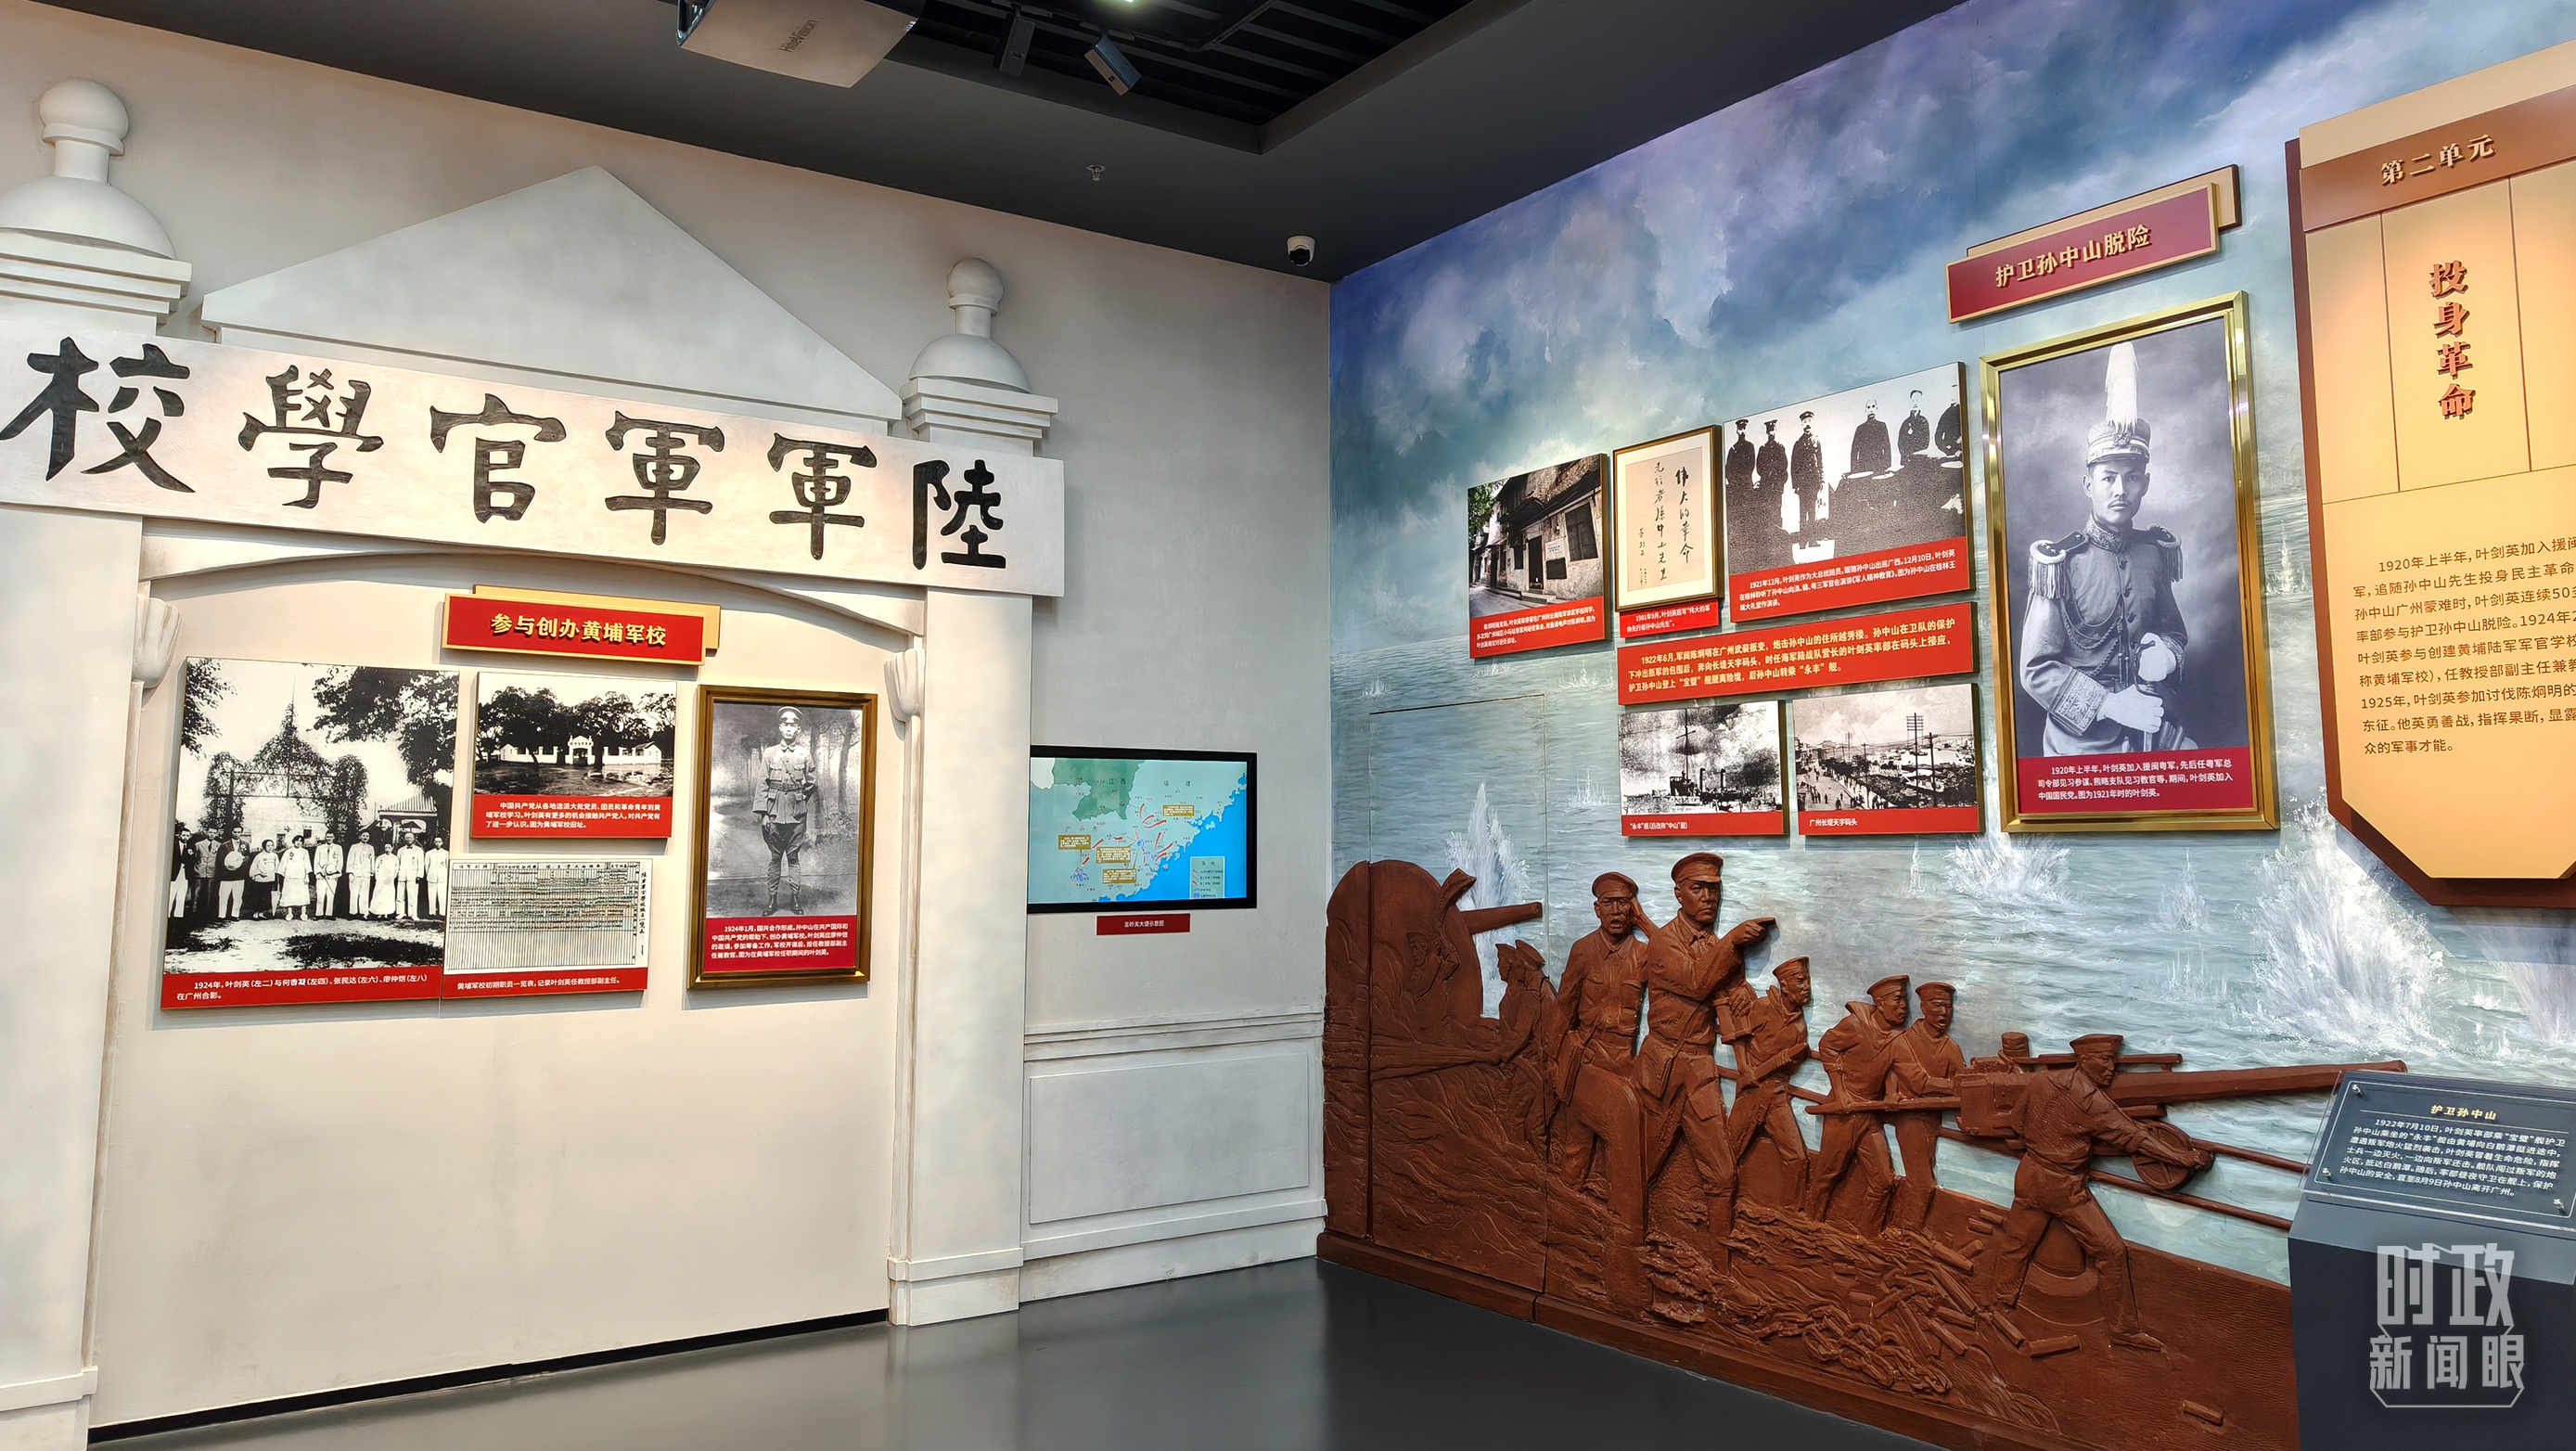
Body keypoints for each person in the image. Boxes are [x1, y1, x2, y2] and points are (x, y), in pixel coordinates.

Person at [1982, 1034, 2211, 1352]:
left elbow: (2017, 1122)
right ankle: (2122, 1330)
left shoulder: (2041, 1081)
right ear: (2084, 1060)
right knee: (2111, 1251)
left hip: (2029, 1173)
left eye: (2114, 1062)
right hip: (2062, 1187)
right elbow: (2136, 1138)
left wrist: (2055, 1139)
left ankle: (1998, 1305)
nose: (2111, 1070)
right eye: (2104, 1061)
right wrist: (2184, 1159)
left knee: (2016, 1245)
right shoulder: (2091, 1102)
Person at [2019, 340, 2193, 755]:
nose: (2120, 490)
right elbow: (2036, 669)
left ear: (2145, 484)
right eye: (2108, 477)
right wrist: (2111, 705)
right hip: (2083, 743)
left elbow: (2174, 632)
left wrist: (2167, 655)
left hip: (2155, 728)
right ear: (2088, 485)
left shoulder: (2153, 552)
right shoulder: (2060, 563)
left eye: (2131, 478)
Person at [1638, 852, 1772, 1275]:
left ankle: (1720, 1268)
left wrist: (1754, 1000)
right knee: (1643, 1162)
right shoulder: (1663, 943)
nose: (1709, 897)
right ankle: (1628, 1240)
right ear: (1679, 894)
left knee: (1722, 1172)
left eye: (1714, 889)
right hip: (1663, 1069)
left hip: (1699, 1069)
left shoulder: (1715, 946)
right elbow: (1697, 983)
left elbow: (1732, 994)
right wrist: (1732, 942)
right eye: (1699, 888)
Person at [1548, 871, 1654, 1309]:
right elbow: (1563, 1007)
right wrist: (1553, 1060)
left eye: (1624, 902)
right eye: (1608, 903)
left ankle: (1614, 1235)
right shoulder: (1582, 950)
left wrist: (1646, 924)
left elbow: (1675, 966)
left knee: (1613, 1149)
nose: (1616, 910)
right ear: (1596, 909)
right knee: (1576, 1150)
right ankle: (1565, 1232)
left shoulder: (1645, 954)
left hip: (1622, 1063)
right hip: (1585, 1062)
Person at [1805, 973, 1906, 1231]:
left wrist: (1891, 1094)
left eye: (1904, 1000)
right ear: (1880, 1003)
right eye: (1898, 1000)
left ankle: (1866, 1235)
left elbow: (1892, 1067)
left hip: (1869, 1115)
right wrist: (1841, 1093)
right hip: (1844, 1114)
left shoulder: (1897, 1038)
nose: (1904, 1006)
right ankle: (1810, 1226)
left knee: (1884, 1180)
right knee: (1827, 1175)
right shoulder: (1855, 1024)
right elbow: (1827, 1046)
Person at [1726, 957, 1813, 1204]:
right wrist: (1744, 1069)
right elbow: (1739, 1036)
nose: (1807, 987)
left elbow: (1792, 1067)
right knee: (1730, 1149)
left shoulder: (1800, 1026)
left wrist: (1792, 1058)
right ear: (1784, 985)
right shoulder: (1763, 1007)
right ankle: (1715, 1197)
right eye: (1800, 981)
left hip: (1777, 1094)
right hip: (1752, 1091)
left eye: (1807, 981)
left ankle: (1790, 1211)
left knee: (1797, 1157)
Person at [1884, 981, 1967, 1230]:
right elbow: (1919, 1083)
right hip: (1910, 1118)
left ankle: (1903, 1230)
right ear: (1923, 1007)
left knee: (1922, 1176)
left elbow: (1964, 1080)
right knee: (1922, 1182)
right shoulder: (1904, 1042)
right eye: (1937, 1006)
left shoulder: (1951, 1048)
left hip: (1932, 1120)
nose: (1944, 1013)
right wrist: (1956, 1086)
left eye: (1948, 1007)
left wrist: (1966, 1085)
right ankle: (1903, 1231)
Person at [753, 706, 819, 916]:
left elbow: (812, 782)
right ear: (780, 727)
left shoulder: (804, 754)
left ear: (798, 729)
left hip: (796, 816)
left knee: (793, 858)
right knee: (775, 858)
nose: (789, 728)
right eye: (785, 724)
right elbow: (762, 784)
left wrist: (799, 798)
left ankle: (795, 899)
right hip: (773, 814)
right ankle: (772, 900)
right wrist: (764, 815)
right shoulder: (770, 753)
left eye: (793, 725)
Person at [1790, 410, 1826, 532]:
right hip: (1802, 483)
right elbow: (1794, 466)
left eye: (1810, 421)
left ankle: (1812, 537)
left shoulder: (1817, 441)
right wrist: (1796, 485)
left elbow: (1820, 462)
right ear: (1802, 424)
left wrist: (1822, 480)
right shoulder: (1798, 444)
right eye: (1805, 422)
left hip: (1814, 481)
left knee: (1812, 509)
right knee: (1803, 510)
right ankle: (1803, 537)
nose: (1808, 424)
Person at [1850, 399, 1892, 477]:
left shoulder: (1882, 426)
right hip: (1864, 466)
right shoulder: (1860, 429)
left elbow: (1887, 446)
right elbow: (1854, 450)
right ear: (1866, 410)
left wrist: (1886, 464)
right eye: (1868, 407)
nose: (1871, 410)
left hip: (1879, 465)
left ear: (1876, 408)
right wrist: (1854, 469)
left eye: (1873, 406)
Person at [278, 832, 313, 921]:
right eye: (297, 840)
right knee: (290, 896)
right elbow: (283, 863)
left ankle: (303, 913)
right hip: (290, 877)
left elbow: (307, 864)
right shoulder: (288, 851)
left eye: (301, 841)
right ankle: (289, 913)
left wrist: (307, 876)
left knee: (302, 895)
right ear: (294, 841)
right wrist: (283, 874)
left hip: (301, 877)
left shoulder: (305, 852)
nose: (298, 842)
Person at [216, 831, 251, 919]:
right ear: (231, 832)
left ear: (241, 833)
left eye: (239, 832)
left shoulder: (245, 844)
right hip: (226, 875)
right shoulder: (224, 845)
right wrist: (228, 866)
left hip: (239, 875)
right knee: (223, 896)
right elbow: (220, 859)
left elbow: (247, 857)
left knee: (238, 896)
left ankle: (235, 915)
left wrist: (241, 863)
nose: (236, 834)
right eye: (235, 832)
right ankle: (222, 915)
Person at [398, 828, 427, 920]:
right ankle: (400, 913)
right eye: (407, 838)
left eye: (410, 837)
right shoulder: (400, 850)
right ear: (404, 839)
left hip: (413, 875)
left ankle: (413, 914)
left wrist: (419, 875)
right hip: (402, 874)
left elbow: (421, 863)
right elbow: (398, 863)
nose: (408, 839)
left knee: (412, 895)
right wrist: (397, 873)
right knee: (400, 895)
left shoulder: (418, 850)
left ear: (414, 839)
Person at [1724, 417, 1757, 498]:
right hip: (1735, 486)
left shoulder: (1750, 446)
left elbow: (1751, 465)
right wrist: (1733, 481)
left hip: (1746, 485)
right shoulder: (1733, 449)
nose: (1742, 431)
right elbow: (1728, 469)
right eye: (1740, 429)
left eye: (1744, 429)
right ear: (1737, 431)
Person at [313, 834, 343, 918]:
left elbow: (340, 862)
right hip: (321, 875)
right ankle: (319, 914)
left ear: (334, 837)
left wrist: (335, 872)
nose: (329, 838)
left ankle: (329, 914)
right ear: (325, 837)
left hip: (332, 875)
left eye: (331, 837)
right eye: (328, 837)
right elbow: (316, 861)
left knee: (330, 894)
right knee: (320, 894)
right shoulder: (320, 848)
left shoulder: (338, 848)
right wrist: (320, 871)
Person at [248, 838, 279, 919]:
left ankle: (261, 913)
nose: (270, 847)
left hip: (269, 880)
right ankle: (255, 913)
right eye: (268, 846)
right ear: (264, 846)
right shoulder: (259, 856)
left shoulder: (274, 856)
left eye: (272, 845)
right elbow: (253, 868)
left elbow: (277, 867)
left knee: (266, 897)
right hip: (260, 880)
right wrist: (259, 873)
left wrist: (273, 874)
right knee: (258, 896)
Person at [345, 832, 376, 918]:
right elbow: (350, 859)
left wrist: (372, 871)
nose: (365, 837)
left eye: (367, 836)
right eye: (363, 835)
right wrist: (350, 872)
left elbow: (372, 860)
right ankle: (353, 913)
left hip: (366, 874)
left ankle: (363, 913)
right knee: (354, 893)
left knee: (364, 894)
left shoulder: (371, 848)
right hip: (356, 873)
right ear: (360, 837)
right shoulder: (354, 847)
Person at [370, 834, 400, 918]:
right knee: (379, 895)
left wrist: (393, 877)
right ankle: (379, 913)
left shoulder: (395, 858)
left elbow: (396, 869)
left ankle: (387, 913)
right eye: (386, 848)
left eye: (389, 847)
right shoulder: (380, 858)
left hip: (389, 880)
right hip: (381, 879)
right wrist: (378, 877)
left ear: (392, 848)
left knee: (388, 895)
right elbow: (376, 868)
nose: (387, 849)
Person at [1897, 388, 1932, 459]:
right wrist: (1906, 455)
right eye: (1913, 400)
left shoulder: (1923, 421)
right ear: (1910, 402)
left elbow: (1925, 443)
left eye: (1917, 400)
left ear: (1921, 402)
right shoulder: (1905, 423)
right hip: (1907, 459)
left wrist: (1912, 451)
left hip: (1919, 458)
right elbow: (1900, 443)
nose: (1915, 403)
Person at [424, 836, 448, 919]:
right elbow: (426, 866)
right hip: (432, 877)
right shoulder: (429, 853)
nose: (438, 843)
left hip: (442, 877)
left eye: (439, 842)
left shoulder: (446, 853)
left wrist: (445, 874)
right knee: (431, 896)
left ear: (442, 843)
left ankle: (442, 913)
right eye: (436, 842)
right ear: (434, 843)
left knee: (442, 896)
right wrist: (429, 874)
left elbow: (447, 865)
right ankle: (431, 913)